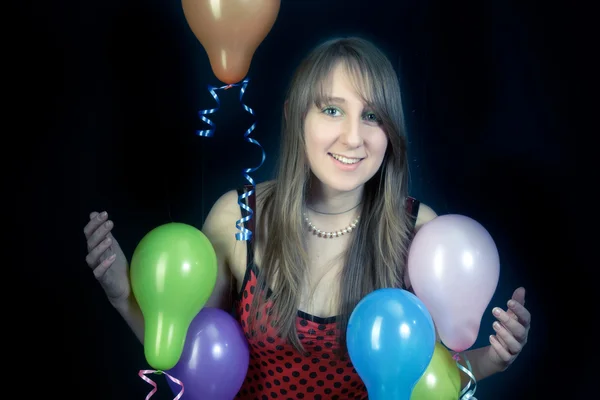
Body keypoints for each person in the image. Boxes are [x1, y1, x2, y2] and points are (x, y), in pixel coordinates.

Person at [83, 37, 531, 399]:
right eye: (332, 109)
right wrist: (125, 296)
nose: (353, 137)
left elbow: (428, 380)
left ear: (390, 132)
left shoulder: (418, 233)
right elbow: (191, 356)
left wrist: (493, 358)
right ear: (296, 117)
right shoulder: (240, 218)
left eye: (372, 116)